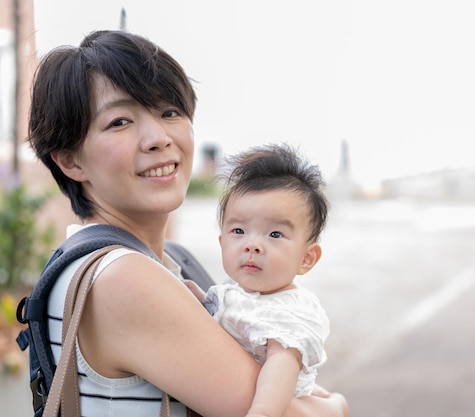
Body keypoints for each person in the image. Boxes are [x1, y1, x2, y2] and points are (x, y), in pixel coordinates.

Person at [28, 30, 348, 417]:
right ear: (70, 160)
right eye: (120, 121)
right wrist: (337, 407)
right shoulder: (122, 278)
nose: (158, 138)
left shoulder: (148, 263)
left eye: (169, 112)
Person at [185, 144, 331, 417]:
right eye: (238, 230)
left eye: (274, 235)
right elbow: (227, 318)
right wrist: (197, 298)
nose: (252, 245)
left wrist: (262, 413)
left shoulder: (288, 313)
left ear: (307, 258)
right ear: (222, 242)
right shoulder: (238, 291)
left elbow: (280, 366)